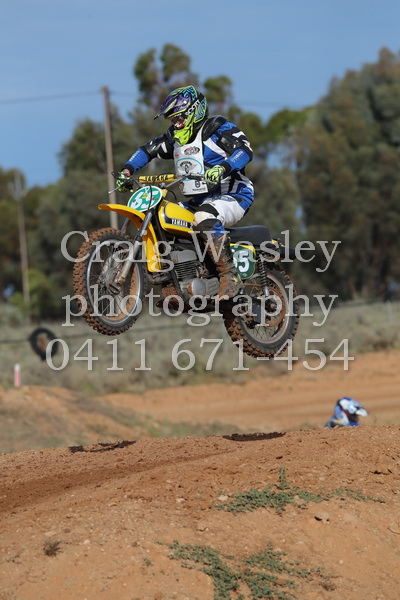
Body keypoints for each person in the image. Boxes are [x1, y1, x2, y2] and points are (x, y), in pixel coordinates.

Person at [118, 85, 254, 298]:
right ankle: (178, 283)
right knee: (163, 217)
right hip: (198, 201)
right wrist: (126, 171)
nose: (175, 124)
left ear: (194, 111)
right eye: (172, 120)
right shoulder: (174, 138)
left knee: (203, 217)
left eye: (178, 118)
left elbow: (244, 151)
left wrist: (223, 167)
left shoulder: (217, 129)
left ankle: (230, 276)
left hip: (234, 195)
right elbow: (148, 150)